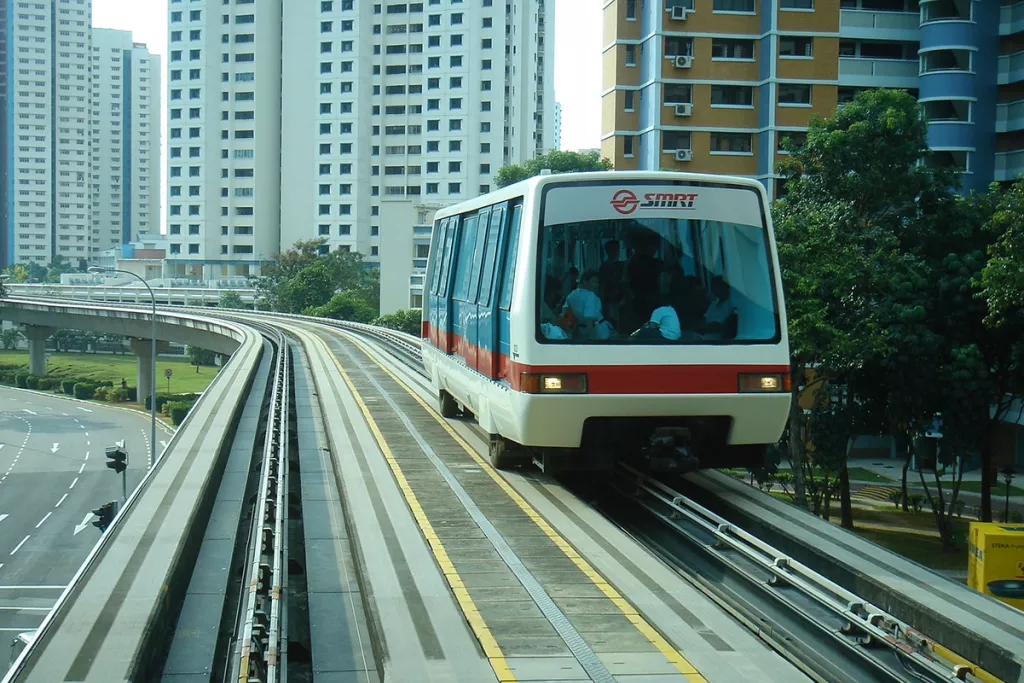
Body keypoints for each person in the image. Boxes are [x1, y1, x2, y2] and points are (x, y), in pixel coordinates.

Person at [562, 269, 613, 340]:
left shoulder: (571, 295)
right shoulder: (590, 296)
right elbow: (589, 320)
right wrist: (592, 340)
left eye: (597, 282)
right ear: (585, 281)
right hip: (597, 331)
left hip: (580, 332)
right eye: (593, 282)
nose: (596, 285)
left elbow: (566, 317)